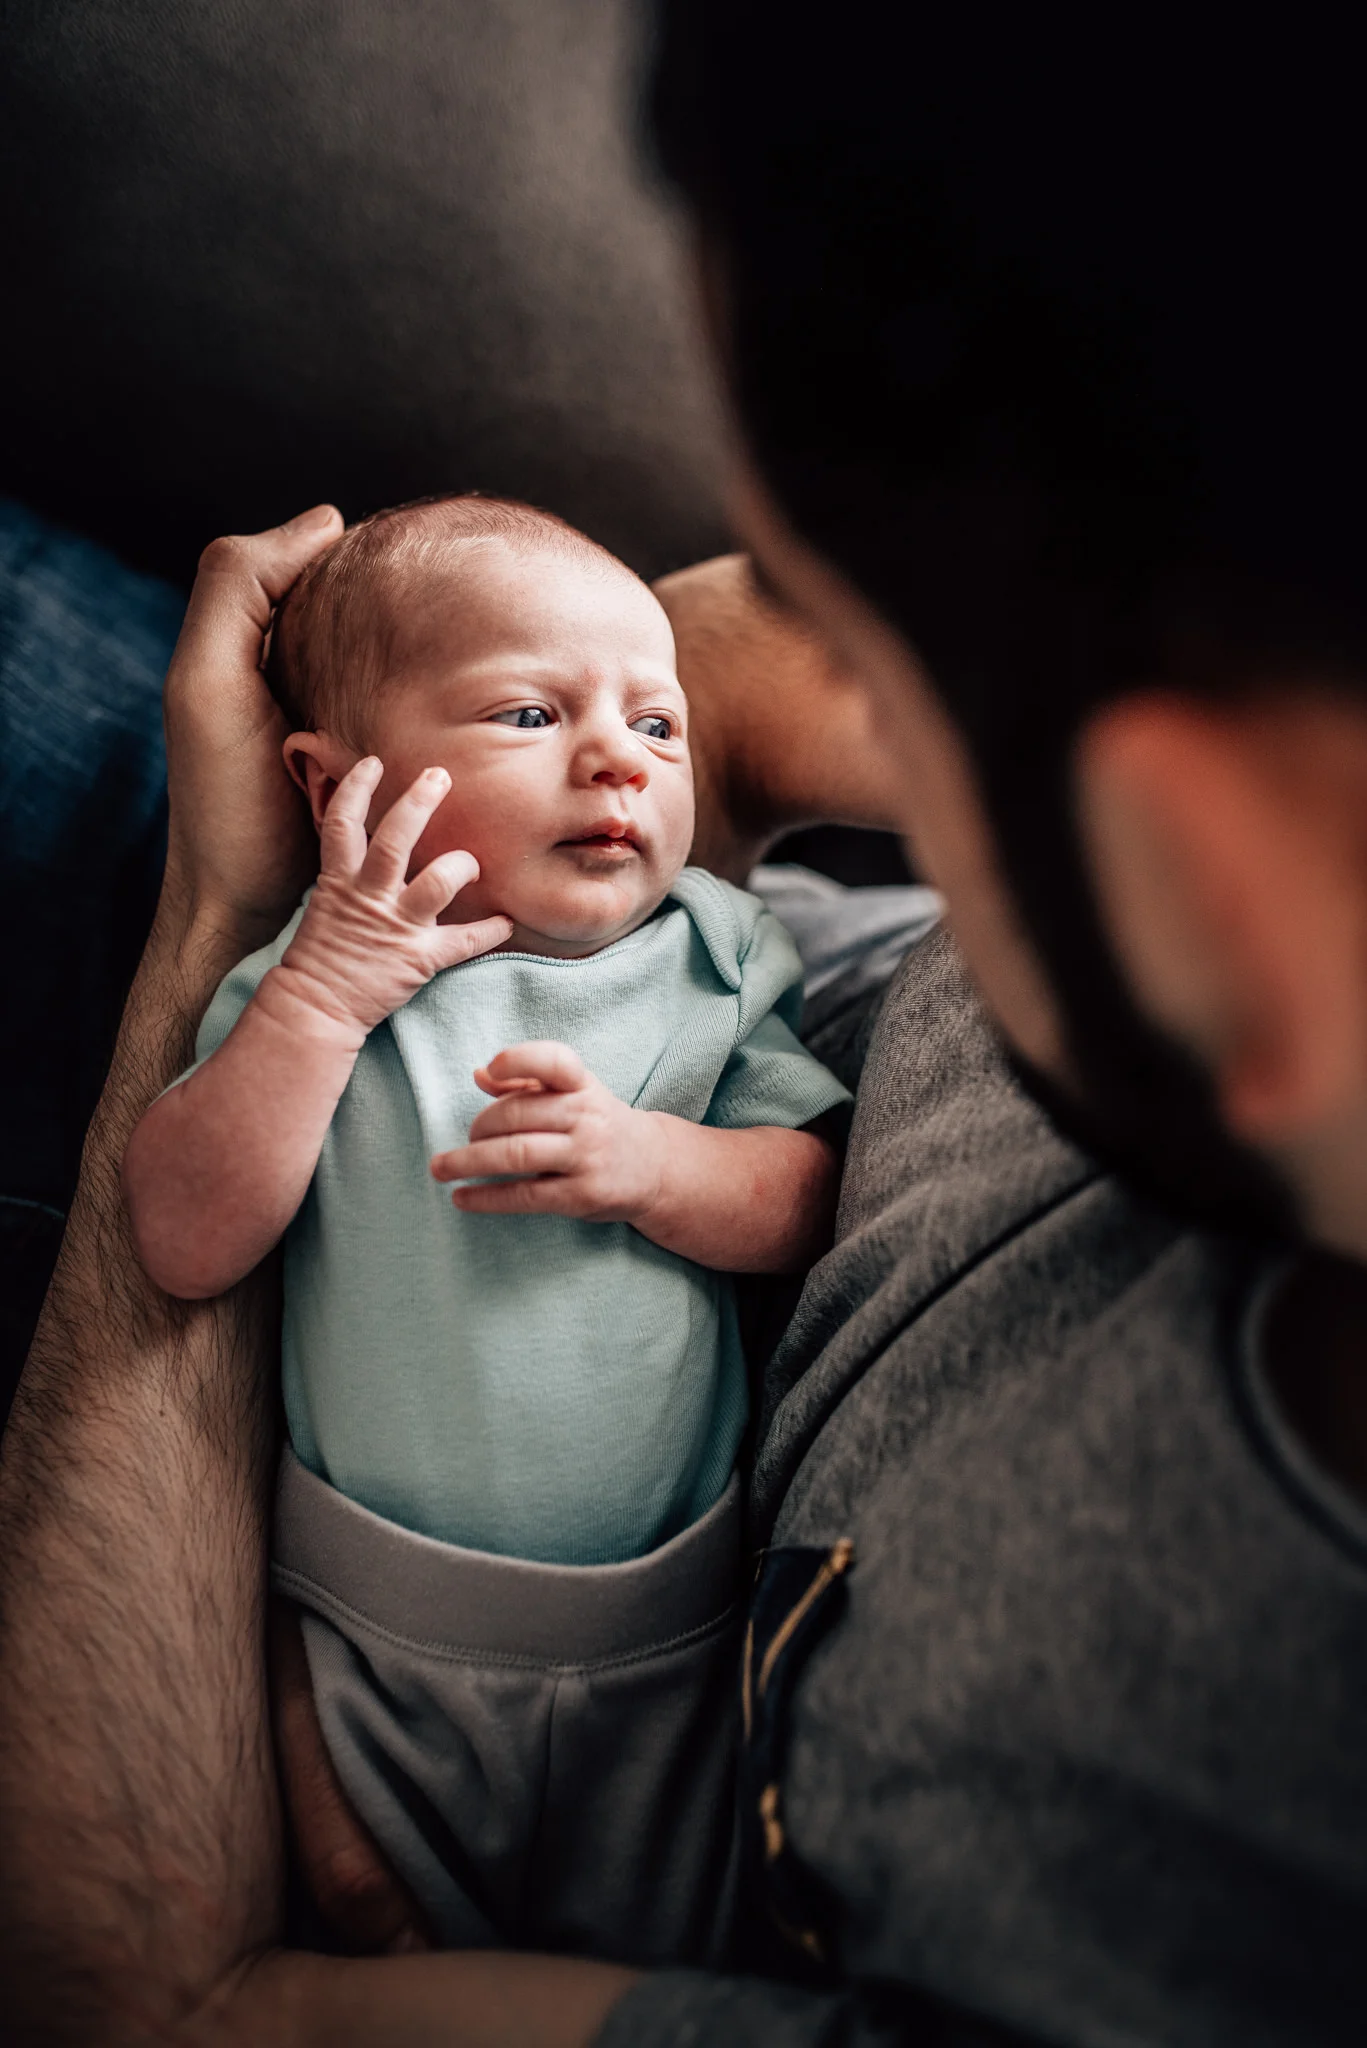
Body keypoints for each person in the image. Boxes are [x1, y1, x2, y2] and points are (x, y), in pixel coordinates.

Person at [6, 4, 1367, 2044]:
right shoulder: (1227, 663)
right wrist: (266, 934)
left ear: (1203, 893)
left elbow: (154, 1990)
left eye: (878, 679)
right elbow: (713, 677)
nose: (741, 729)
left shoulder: (1091, 1908)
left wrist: (256, 915)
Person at [121, 495, 846, 1959]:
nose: (619, 759)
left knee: (678, 1968)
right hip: (369, 1634)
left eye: (660, 725)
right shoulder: (317, 981)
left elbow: (812, 1202)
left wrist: (655, 1164)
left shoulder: (710, 959)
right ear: (331, 781)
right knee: (377, 1947)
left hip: (672, 1643)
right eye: (529, 713)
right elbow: (184, 1243)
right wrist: (322, 999)